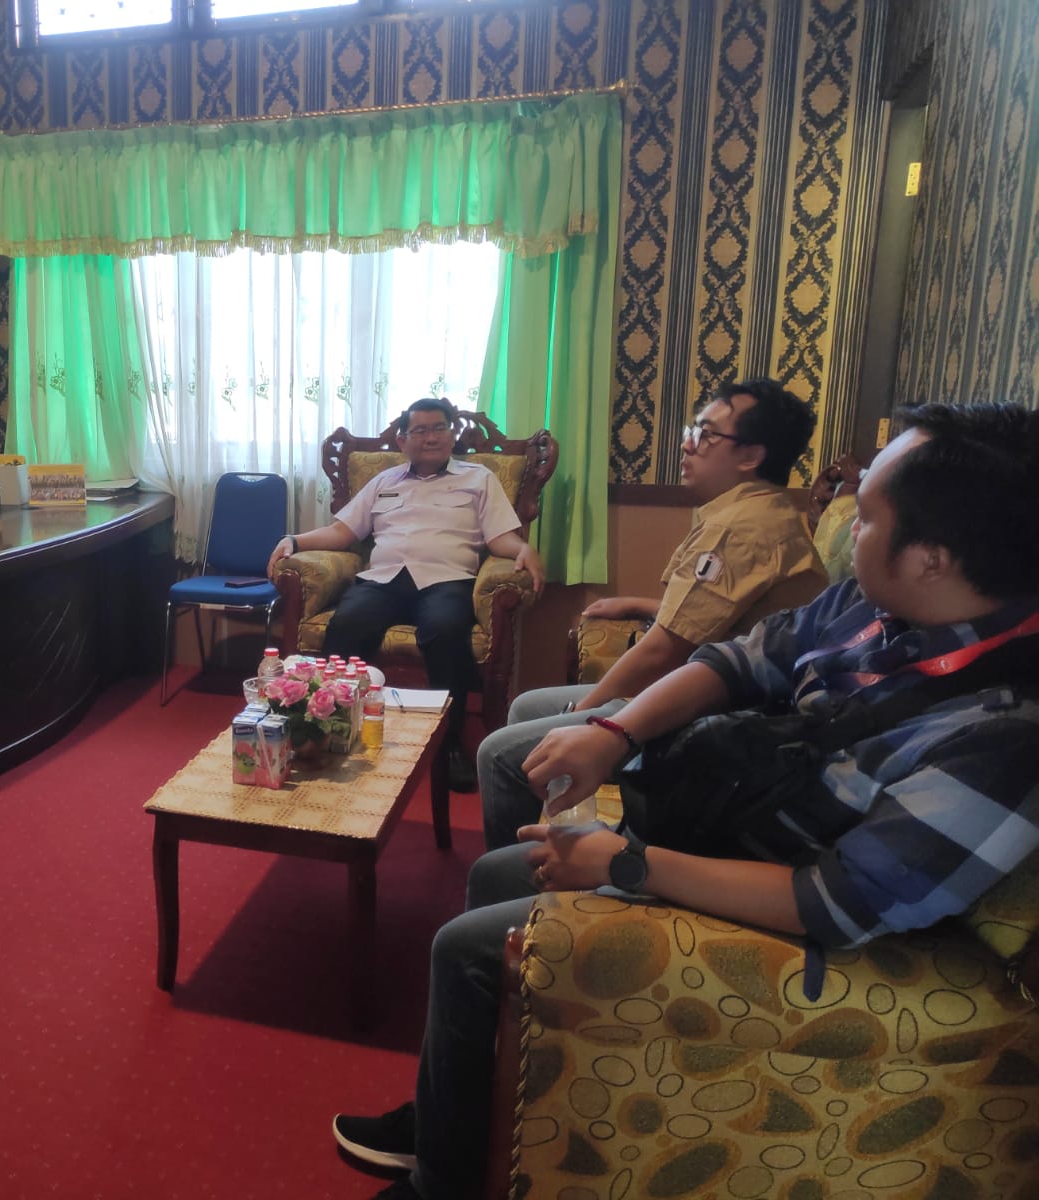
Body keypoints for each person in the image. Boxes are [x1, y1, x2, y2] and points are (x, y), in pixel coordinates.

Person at [331, 402, 1039, 1200]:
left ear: (932, 559)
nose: (844, 531)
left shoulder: (1002, 735)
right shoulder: (875, 605)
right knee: (503, 873)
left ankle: (444, 1182)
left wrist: (630, 865)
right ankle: (467, 1113)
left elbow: (834, 903)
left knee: (469, 945)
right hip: (745, 815)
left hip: (806, 907)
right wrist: (613, 733)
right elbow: (739, 660)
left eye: (865, 516)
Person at [478, 377, 826, 848]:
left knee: (499, 755)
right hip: (712, 689)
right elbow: (720, 617)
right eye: (693, 430)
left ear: (750, 456)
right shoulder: (755, 513)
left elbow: (666, 649)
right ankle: (541, 842)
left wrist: (584, 714)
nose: (688, 444)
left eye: (706, 434)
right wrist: (637, 604)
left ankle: (524, 871)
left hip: (724, 713)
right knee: (526, 706)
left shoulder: (741, 529)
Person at [266, 398, 546, 789]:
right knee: (347, 625)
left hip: (447, 580)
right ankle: (335, 727)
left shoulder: (479, 479)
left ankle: (449, 742)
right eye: (420, 430)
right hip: (383, 579)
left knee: (444, 632)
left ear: (452, 434)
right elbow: (343, 533)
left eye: (439, 428)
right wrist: (294, 540)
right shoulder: (384, 481)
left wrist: (523, 549)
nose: (431, 438)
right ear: (402, 440)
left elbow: (500, 537)